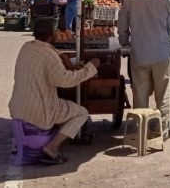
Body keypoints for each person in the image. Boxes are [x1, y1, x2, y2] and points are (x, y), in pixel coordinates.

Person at [8, 17, 101, 164]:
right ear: (53, 34)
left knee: (62, 105)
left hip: (17, 107)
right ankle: (52, 147)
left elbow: (46, 50)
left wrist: (61, 55)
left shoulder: (26, 47)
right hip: (39, 110)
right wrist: (91, 67)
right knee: (81, 113)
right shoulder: (49, 56)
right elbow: (66, 81)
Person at [118, 0, 170, 139]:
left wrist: (125, 42)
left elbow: (122, 28)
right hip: (162, 54)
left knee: (140, 94)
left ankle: (141, 129)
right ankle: (162, 132)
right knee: (163, 95)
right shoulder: (165, 2)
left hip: (140, 54)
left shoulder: (129, 2)